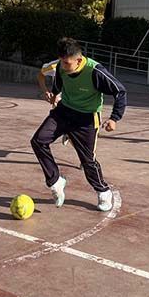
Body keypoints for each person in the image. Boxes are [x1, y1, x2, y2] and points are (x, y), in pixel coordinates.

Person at [30, 37, 127, 212]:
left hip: (87, 119)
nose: (64, 67)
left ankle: (103, 191)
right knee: (38, 140)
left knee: (87, 161)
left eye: (67, 63)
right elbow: (59, 84)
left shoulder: (95, 71)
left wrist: (114, 118)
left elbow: (120, 91)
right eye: (62, 62)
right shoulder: (61, 66)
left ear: (79, 60)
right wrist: (53, 94)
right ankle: (56, 180)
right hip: (64, 111)